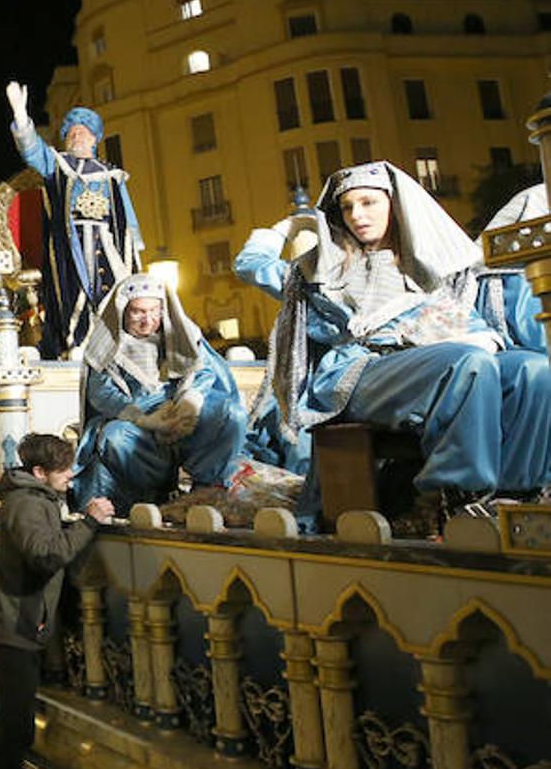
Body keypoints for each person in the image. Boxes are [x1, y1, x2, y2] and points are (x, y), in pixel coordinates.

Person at [236, 161, 551, 531]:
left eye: (368, 202)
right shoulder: (318, 269)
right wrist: (289, 227)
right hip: (360, 372)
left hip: (440, 357)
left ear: (395, 204)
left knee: (534, 369)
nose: (357, 215)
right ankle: (452, 496)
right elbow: (250, 264)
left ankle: (515, 492)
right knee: (466, 362)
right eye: (348, 207)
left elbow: (470, 319)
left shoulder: (434, 263)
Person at [0, 434, 112, 769]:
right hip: (14, 628)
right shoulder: (27, 503)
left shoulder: (34, 500)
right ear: (40, 473)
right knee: (13, 730)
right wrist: (90, 522)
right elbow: (46, 552)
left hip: (15, 625)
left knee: (4, 725)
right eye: (63, 470)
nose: (71, 476)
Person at [71, 273, 248, 515]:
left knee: (231, 413)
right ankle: (158, 490)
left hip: (181, 412)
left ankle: (208, 485)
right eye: (138, 312)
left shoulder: (182, 334)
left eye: (154, 311)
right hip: (138, 421)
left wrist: (189, 402)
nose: (148, 320)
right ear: (124, 311)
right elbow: (101, 393)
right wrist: (143, 419)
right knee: (114, 438)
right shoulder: (107, 344)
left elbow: (204, 371)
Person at [5, 80, 143, 357]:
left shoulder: (112, 174)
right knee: (74, 294)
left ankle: (122, 344)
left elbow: (126, 213)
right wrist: (21, 117)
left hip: (110, 245)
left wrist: (136, 248)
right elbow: (32, 150)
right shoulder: (58, 164)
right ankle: (76, 343)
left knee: (116, 293)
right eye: (72, 133)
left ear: (95, 138)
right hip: (72, 246)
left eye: (83, 132)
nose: (77, 136)